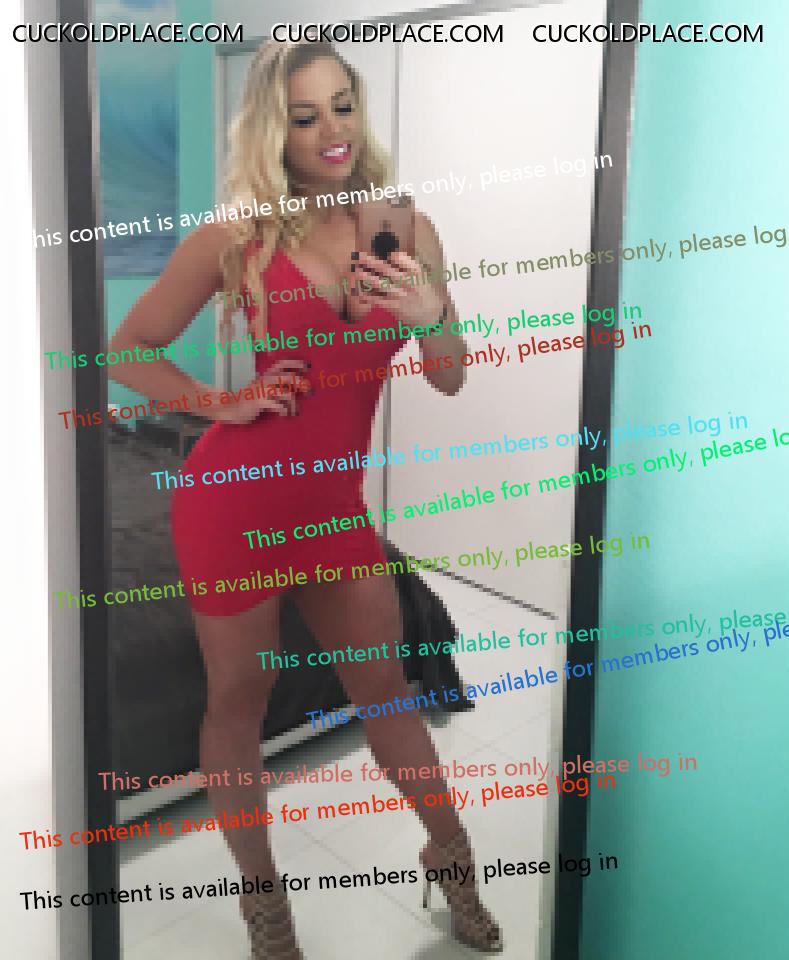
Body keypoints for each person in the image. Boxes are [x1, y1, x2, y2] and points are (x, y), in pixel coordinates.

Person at [107, 40, 502, 958]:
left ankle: (452, 858)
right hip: (232, 505)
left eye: (343, 106)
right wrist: (218, 402)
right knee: (237, 704)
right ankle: (265, 905)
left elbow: (448, 375)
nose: (332, 131)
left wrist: (432, 316)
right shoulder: (237, 239)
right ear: (272, 131)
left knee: (388, 693)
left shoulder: (408, 227)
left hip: (333, 513)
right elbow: (126, 350)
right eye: (304, 115)